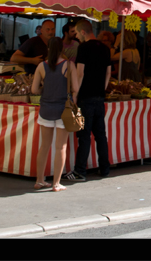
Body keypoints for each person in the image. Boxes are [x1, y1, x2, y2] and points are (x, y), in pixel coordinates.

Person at [31, 37, 80, 192]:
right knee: (60, 147)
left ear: (48, 48)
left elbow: (34, 90)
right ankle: (56, 183)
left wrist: (44, 89)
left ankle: (40, 180)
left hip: (45, 108)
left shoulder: (41, 66)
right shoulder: (69, 65)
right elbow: (76, 88)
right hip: (63, 110)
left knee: (44, 146)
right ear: (62, 49)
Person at [67, 18, 111, 183]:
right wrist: (102, 89)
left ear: (83, 32)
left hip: (85, 97)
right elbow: (108, 73)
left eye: (77, 33)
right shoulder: (105, 48)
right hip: (100, 97)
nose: (77, 36)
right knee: (101, 135)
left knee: (84, 136)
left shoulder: (83, 48)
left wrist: (75, 93)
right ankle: (105, 168)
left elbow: (80, 73)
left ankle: (80, 171)